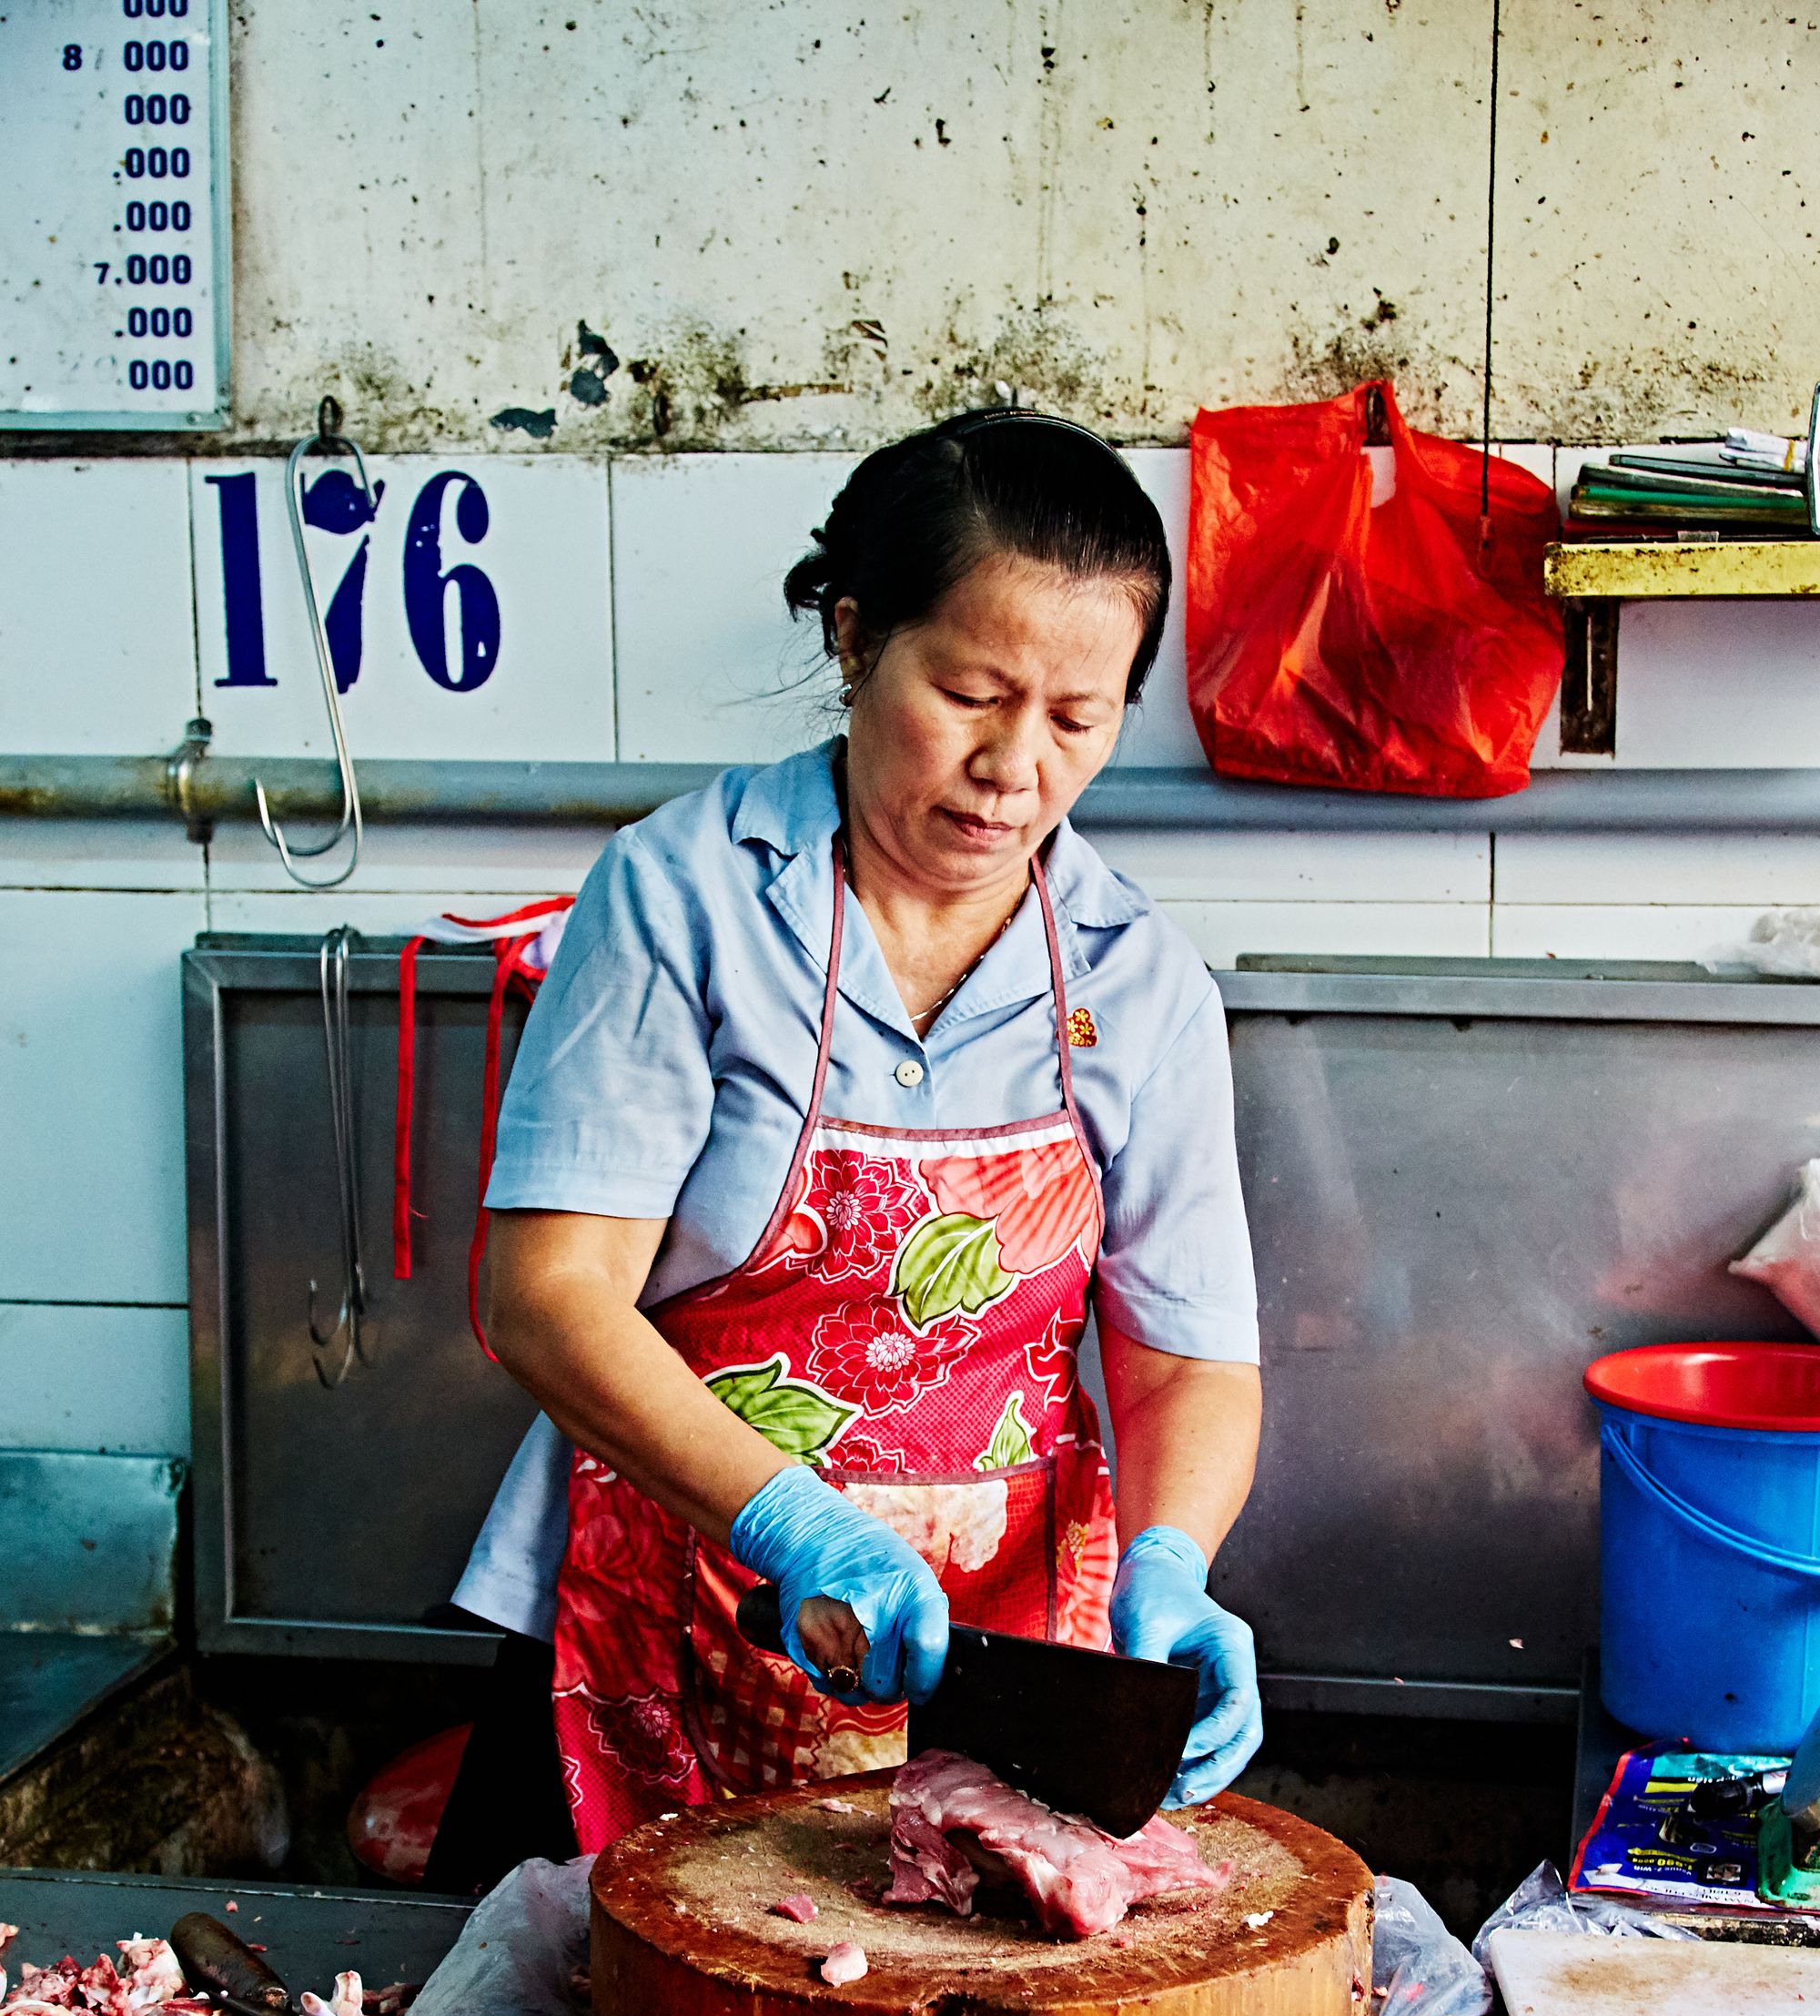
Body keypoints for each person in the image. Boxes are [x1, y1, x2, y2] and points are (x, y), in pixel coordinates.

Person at [427, 408, 1262, 1889]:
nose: (1015, 766)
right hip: (668, 1619)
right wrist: (789, 1519)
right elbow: (547, 1297)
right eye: (971, 693)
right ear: (857, 637)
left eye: (1078, 719)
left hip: (998, 1673)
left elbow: (1184, 1358)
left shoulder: (1138, 979)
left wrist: (1174, 1560)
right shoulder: (682, 900)